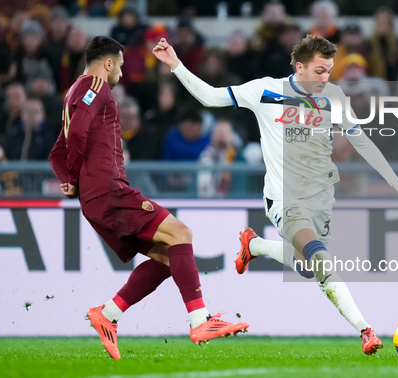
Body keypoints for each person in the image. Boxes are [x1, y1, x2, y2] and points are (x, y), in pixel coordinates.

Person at [153, 34, 398, 355]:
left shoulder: (334, 97)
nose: (327, 78)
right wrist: (176, 66)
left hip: (320, 196)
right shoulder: (265, 90)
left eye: (330, 71)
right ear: (299, 67)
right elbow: (212, 97)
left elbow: (360, 139)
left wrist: (395, 183)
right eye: (320, 71)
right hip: (284, 198)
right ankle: (366, 331)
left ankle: (253, 246)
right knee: (321, 261)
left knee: (307, 266)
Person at [48, 36, 248, 360]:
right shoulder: (95, 85)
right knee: (181, 234)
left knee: (169, 257)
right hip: (110, 190)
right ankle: (201, 321)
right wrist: (73, 178)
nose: (122, 75)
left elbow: (58, 149)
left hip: (98, 196)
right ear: (108, 62)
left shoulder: (73, 92)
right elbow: (79, 132)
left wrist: (69, 181)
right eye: (122, 66)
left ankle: (108, 315)